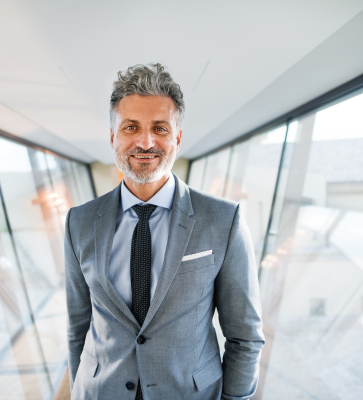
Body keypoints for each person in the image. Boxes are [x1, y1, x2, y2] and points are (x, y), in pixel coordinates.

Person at [64, 63, 264, 400]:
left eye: (160, 128)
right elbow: (76, 328)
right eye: (131, 127)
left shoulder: (224, 219)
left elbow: (245, 336)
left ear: (178, 138)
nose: (145, 141)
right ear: (113, 136)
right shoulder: (79, 222)